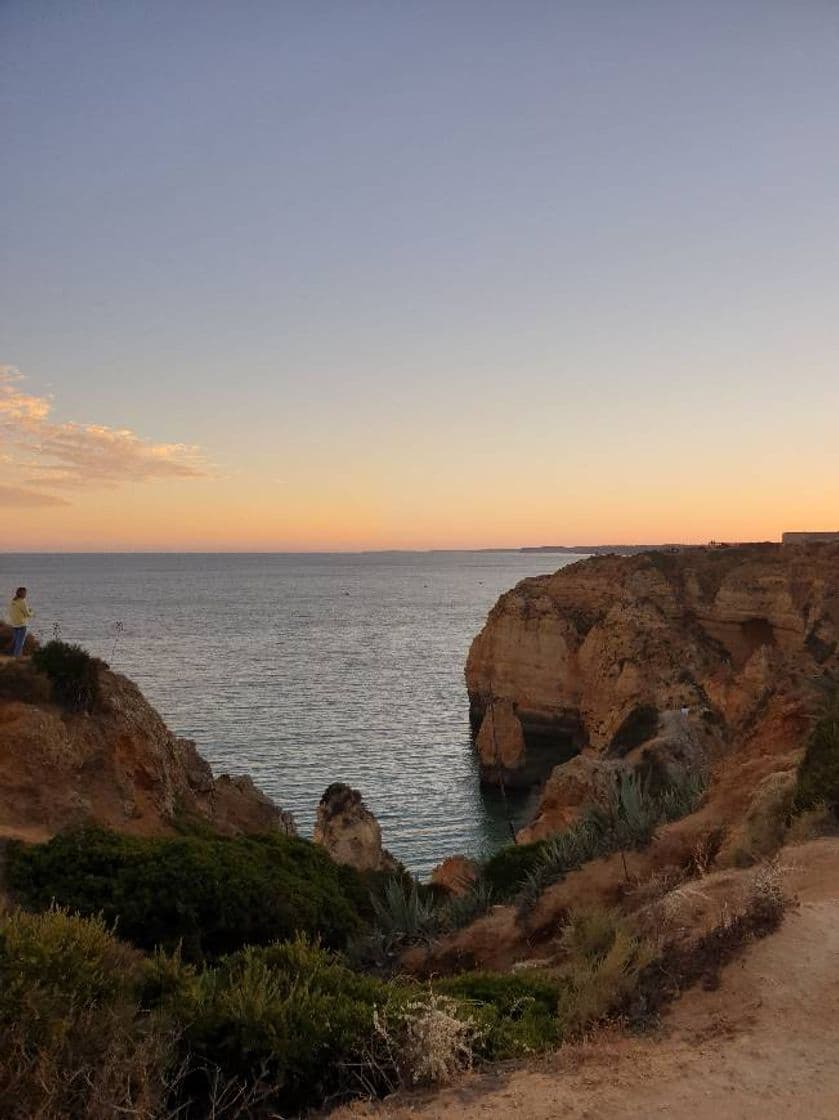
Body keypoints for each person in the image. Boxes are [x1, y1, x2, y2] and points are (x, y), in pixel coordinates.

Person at [8, 587, 34, 657]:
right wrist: (32, 612)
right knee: (20, 644)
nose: (25, 594)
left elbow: (15, 611)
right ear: (21, 593)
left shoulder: (13, 601)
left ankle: (11, 656)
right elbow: (27, 614)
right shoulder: (22, 601)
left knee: (15, 642)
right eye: (25, 592)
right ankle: (17, 659)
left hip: (14, 625)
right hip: (21, 625)